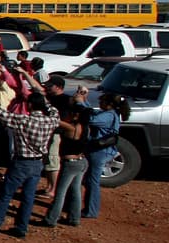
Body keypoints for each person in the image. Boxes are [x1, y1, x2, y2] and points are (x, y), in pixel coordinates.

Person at [0, 88, 59, 239]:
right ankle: (21, 228)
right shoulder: (51, 121)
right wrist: (45, 102)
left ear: (29, 105)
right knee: (28, 197)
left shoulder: (22, 121)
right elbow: (54, 112)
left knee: (6, 194)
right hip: (38, 163)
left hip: (21, 162)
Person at [82, 90, 128, 219]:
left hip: (99, 152)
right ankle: (90, 209)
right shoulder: (110, 113)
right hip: (101, 151)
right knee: (90, 180)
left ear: (109, 104)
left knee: (92, 181)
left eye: (102, 101)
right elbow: (92, 112)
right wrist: (84, 101)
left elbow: (90, 118)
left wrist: (81, 104)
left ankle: (91, 211)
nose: (99, 103)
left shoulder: (108, 116)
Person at [44, 101, 87, 227]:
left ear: (75, 115)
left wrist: (47, 105)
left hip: (70, 164)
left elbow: (54, 120)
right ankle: (74, 218)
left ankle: (51, 219)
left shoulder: (71, 128)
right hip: (81, 162)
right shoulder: (85, 127)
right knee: (76, 191)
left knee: (60, 193)